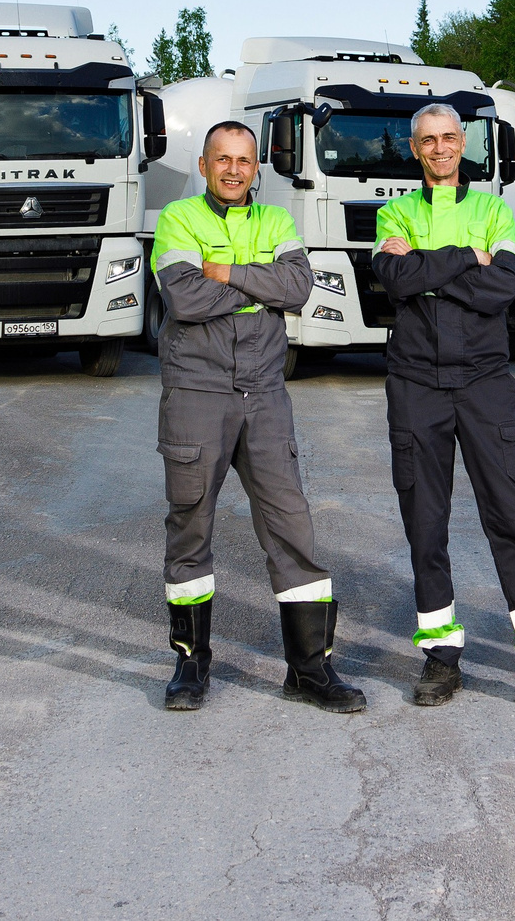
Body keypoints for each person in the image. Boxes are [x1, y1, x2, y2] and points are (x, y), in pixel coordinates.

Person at [373, 102, 515, 718]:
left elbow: (502, 287)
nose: (441, 148)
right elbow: (391, 281)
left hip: (483, 382)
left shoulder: (493, 209)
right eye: (429, 140)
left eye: (450, 137)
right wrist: (462, 260)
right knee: (426, 521)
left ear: (463, 142)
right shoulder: (394, 210)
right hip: (416, 382)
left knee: (511, 515)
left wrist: (425, 267)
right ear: (415, 148)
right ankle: (441, 657)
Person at [149, 120, 365, 714]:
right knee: (191, 522)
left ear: (256, 168)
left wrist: (225, 272)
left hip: (266, 394)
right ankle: (190, 664)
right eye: (223, 159)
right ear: (204, 164)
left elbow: (299, 288)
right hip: (198, 392)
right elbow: (184, 299)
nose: (234, 170)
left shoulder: (277, 221)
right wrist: (259, 285)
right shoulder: (178, 218)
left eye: (244, 160)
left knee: (292, 525)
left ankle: (310, 668)